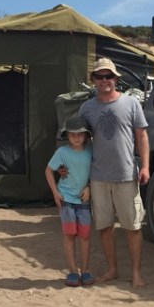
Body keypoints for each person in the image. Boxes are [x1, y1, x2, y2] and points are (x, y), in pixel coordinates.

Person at [78, 57, 150, 287]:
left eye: (108, 76)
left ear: (116, 78)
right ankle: (112, 270)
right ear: (93, 80)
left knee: (132, 226)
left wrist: (145, 166)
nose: (104, 80)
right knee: (105, 227)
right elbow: (78, 142)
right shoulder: (86, 108)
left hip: (126, 174)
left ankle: (136, 273)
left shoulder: (131, 103)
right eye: (99, 76)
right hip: (98, 176)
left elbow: (142, 135)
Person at [45, 116, 95, 287]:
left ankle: (85, 270)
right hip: (66, 199)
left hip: (84, 200)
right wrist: (55, 192)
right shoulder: (62, 152)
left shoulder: (91, 152)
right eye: (72, 134)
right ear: (66, 135)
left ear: (86, 135)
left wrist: (89, 187)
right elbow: (48, 171)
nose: (76, 137)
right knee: (69, 234)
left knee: (85, 235)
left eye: (80, 134)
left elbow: (96, 172)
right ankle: (73, 271)